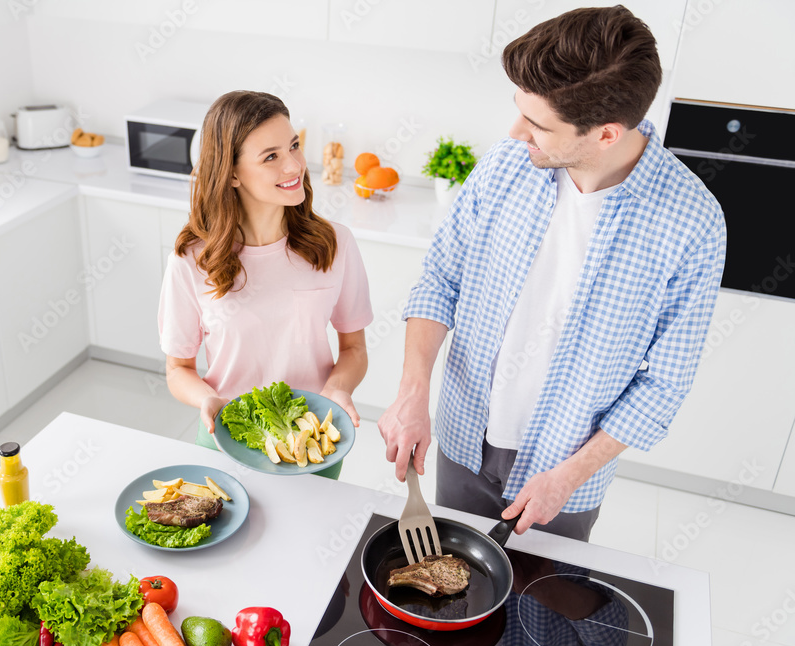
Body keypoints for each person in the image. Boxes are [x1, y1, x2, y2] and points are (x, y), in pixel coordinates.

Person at [379, 6, 726, 539]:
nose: (516, 133)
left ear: (607, 134)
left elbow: (664, 383)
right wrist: (411, 393)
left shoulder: (692, 224)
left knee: (542, 610)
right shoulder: (505, 166)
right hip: (463, 434)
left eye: (539, 125)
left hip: (565, 474)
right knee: (443, 592)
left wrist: (570, 476)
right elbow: (440, 280)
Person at [158, 90, 373, 479]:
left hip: (312, 443)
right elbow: (178, 369)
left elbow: (354, 348)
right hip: (227, 434)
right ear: (233, 173)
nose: (294, 166)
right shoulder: (192, 259)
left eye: (294, 146)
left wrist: (337, 392)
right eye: (271, 156)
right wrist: (208, 399)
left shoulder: (334, 244)